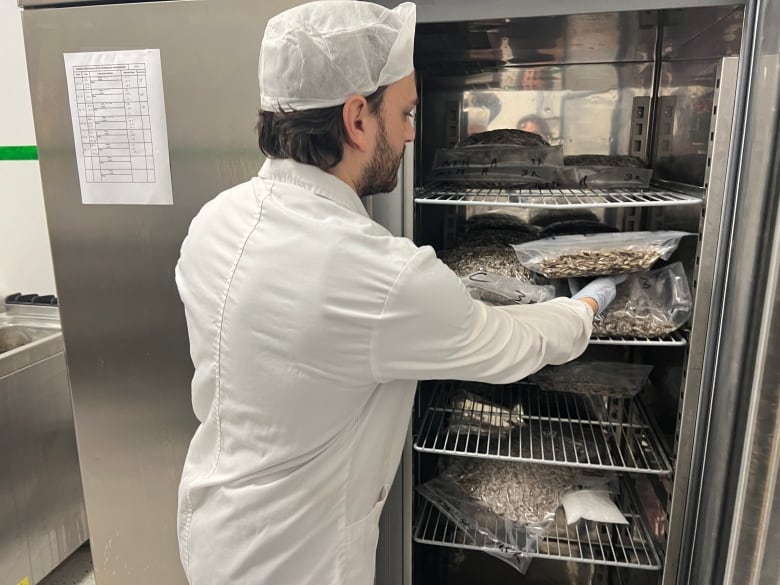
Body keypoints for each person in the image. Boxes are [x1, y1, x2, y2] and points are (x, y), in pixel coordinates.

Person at [174, 2, 623, 584]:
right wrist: (588, 303)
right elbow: (512, 346)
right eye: (406, 112)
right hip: (300, 563)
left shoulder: (214, 220)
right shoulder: (378, 276)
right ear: (357, 118)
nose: (414, 130)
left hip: (212, 534)